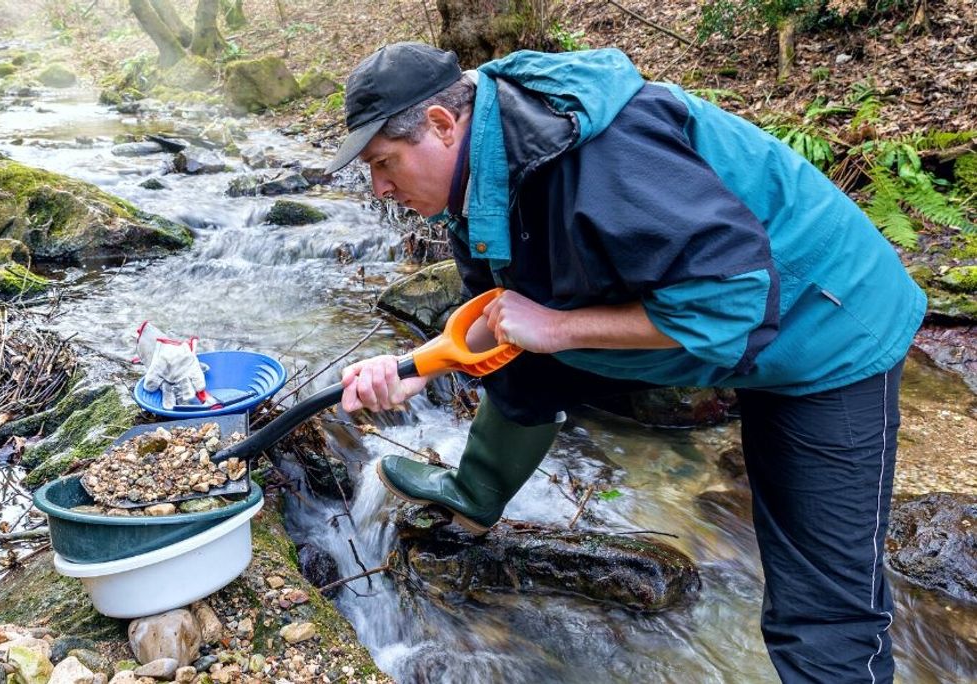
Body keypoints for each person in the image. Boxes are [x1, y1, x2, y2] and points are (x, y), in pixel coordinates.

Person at [325, 41, 927, 682]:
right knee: (526, 347)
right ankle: (476, 494)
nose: (379, 187)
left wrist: (558, 326)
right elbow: (496, 323)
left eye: (384, 163)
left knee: (819, 610)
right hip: (711, 318)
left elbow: (730, 303)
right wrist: (409, 368)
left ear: (444, 126)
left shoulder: (606, 155)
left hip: (828, 328)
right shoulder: (480, 174)